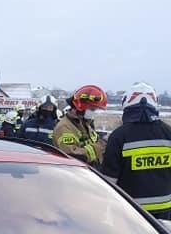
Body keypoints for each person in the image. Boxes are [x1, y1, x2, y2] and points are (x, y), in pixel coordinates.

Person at [101, 82, 171, 219]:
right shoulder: (169, 133)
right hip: (166, 212)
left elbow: (108, 180)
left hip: (130, 212)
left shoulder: (119, 136)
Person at [52, 85, 107, 167]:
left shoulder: (84, 124)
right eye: (92, 109)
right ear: (81, 106)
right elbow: (74, 156)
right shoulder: (64, 127)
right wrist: (101, 145)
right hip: (75, 175)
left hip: (89, 172)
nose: (94, 112)